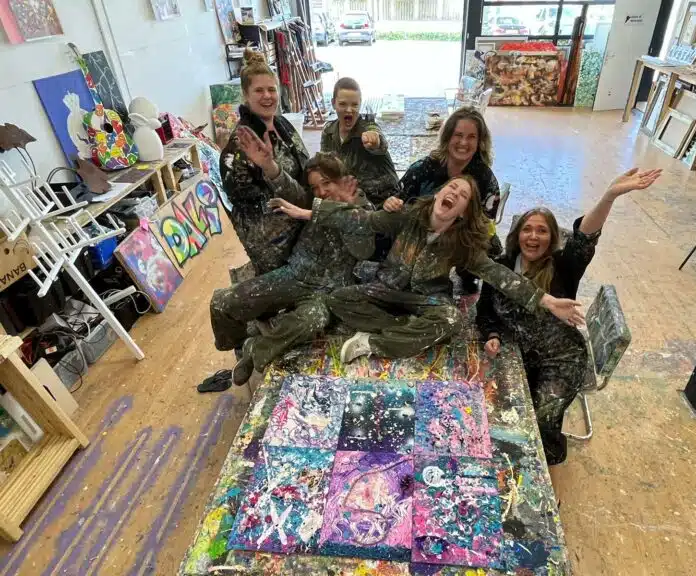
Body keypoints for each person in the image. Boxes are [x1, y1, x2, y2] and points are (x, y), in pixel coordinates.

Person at [270, 175, 585, 365]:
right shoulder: (407, 215)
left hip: (426, 300)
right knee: (338, 299)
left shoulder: (461, 243)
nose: (454, 193)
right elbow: (361, 219)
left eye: (463, 196)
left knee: (450, 319)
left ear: (462, 213)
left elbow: (498, 274)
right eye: (452, 187)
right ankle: (406, 330)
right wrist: (308, 212)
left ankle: (373, 342)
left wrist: (546, 300)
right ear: (438, 194)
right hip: (385, 289)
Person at [477, 168, 662, 465]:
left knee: (538, 420)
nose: (533, 236)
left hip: (562, 358)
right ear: (517, 235)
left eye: (542, 231)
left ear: (552, 238)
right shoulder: (501, 267)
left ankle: (549, 456)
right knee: (491, 409)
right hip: (521, 353)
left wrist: (609, 196)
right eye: (527, 229)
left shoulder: (563, 265)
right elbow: (485, 311)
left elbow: (584, 237)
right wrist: (493, 334)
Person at [210, 153, 374, 385]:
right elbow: (290, 190)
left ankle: (255, 350)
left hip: (326, 290)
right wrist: (268, 165)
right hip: (294, 274)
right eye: (315, 187)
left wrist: (347, 211)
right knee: (222, 302)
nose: (321, 191)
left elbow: (363, 251)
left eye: (326, 183)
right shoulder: (314, 202)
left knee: (313, 319)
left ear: (342, 178)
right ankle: (241, 344)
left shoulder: (362, 208)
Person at [383, 107, 502, 292]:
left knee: (492, 249)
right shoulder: (422, 169)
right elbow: (396, 198)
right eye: (458, 135)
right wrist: (390, 203)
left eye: (471, 137)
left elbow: (487, 224)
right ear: (447, 137)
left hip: (460, 237)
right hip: (420, 233)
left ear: (480, 142)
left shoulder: (486, 180)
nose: (464, 142)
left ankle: (468, 278)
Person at [219, 46, 310, 273]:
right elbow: (259, 216)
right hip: (274, 245)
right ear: (246, 95)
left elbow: (305, 169)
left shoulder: (283, 124)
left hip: (301, 217)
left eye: (271, 89)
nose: (267, 96)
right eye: (259, 90)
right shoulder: (240, 149)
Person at [321, 77, 400, 209]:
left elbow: (379, 141)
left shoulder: (367, 127)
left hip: (384, 200)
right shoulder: (328, 131)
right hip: (353, 198)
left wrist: (375, 140)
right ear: (333, 103)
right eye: (343, 104)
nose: (349, 110)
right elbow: (325, 165)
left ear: (360, 104)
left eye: (354, 105)